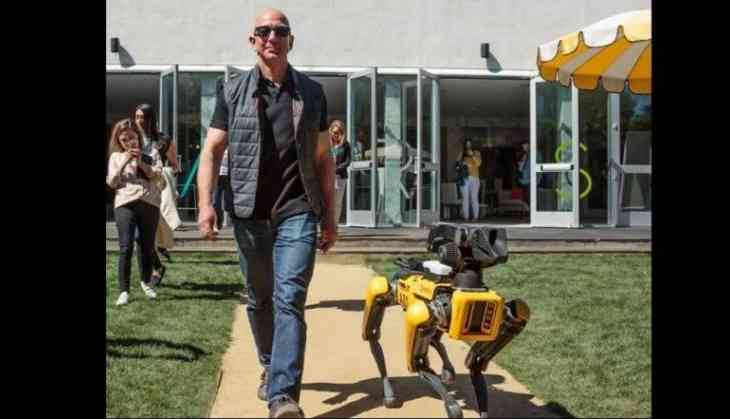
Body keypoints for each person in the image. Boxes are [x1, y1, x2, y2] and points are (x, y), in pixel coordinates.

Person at [196, 8, 336, 418]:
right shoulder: (232, 91)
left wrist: (330, 217)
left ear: (291, 39)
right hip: (248, 212)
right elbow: (212, 151)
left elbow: (323, 158)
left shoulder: (312, 92)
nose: (272, 36)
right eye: (264, 31)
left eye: (280, 30)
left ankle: (283, 396)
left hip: (298, 209)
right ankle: (270, 364)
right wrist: (205, 204)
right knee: (260, 298)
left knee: (289, 297)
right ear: (252, 40)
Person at [107, 118, 163, 305]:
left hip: (149, 202)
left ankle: (146, 283)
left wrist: (140, 161)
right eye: (123, 140)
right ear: (119, 141)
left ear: (138, 136)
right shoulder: (116, 157)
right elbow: (112, 182)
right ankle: (124, 291)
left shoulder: (151, 152)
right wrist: (125, 161)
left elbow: (156, 174)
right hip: (125, 202)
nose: (128, 142)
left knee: (146, 246)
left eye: (131, 137)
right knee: (126, 246)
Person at [134, 104, 181, 283]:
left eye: (142, 117)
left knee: (147, 233)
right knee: (140, 235)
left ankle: (153, 269)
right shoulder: (132, 136)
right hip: (135, 189)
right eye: (137, 117)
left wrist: (167, 176)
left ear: (150, 119)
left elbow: (174, 165)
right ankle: (154, 269)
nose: (139, 120)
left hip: (155, 190)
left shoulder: (163, 140)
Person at [329, 120, 351, 225]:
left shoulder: (345, 145)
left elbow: (348, 161)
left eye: (338, 133)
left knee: (337, 202)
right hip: (328, 177)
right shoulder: (328, 145)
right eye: (334, 132)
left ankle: (335, 225)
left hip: (340, 177)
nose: (335, 135)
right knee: (328, 202)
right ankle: (328, 224)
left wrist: (336, 169)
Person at [457, 138, 482, 221]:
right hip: (464, 178)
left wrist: (472, 155)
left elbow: (478, 164)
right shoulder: (462, 154)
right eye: (466, 144)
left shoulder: (476, 153)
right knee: (465, 198)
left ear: (472, 145)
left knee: (474, 198)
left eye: (469, 144)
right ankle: (466, 217)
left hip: (474, 178)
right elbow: (457, 165)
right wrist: (462, 164)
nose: (468, 146)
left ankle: (475, 217)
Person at [212, 147, 230, 230]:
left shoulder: (230, 148)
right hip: (217, 176)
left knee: (227, 200)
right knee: (216, 201)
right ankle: (217, 222)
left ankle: (226, 221)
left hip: (227, 176)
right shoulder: (215, 148)